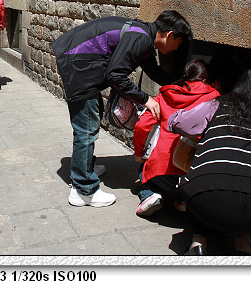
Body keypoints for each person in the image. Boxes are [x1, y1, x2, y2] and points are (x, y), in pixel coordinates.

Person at [50, 10, 192, 207]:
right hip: (78, 65)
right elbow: (115, 75)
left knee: (91, 120)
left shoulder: (145, 37)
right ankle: (83, 189)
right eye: (179, 42)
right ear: (169, 35)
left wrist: (180, 85)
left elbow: (154, 71)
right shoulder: (141, 39)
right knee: (87, 128)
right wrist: (146, 100)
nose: (177, 48)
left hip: (80, 62)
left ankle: (84, 168)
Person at [167, 68, 251, 256]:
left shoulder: (218, 105)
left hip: (204, 198)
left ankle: (198, 243)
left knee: (203, 175)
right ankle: (243, 246)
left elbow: (177, 123)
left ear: (240, 86)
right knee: (247, 177)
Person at [132, 59, 220, 216]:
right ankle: (181, 199)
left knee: (145, 165)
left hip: (160, 168)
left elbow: (142, 125)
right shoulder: (214, 99)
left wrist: (139, 152)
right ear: (206, 80)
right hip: (190, 169)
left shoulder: (166, 94)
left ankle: (150, 194)